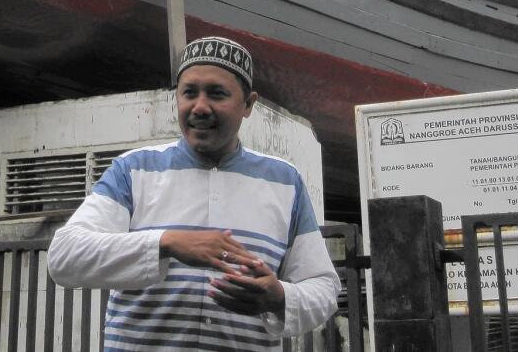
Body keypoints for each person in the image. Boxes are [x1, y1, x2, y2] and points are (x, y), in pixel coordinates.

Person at [47, 36, 341, 350]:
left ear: (248, 105)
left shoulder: (286, 181)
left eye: (216, 93)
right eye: (189, 92)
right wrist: (167, 242)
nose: (200, 107)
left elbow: (323, 288)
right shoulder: (133, 170)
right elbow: (64, 257)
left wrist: (279, 297)